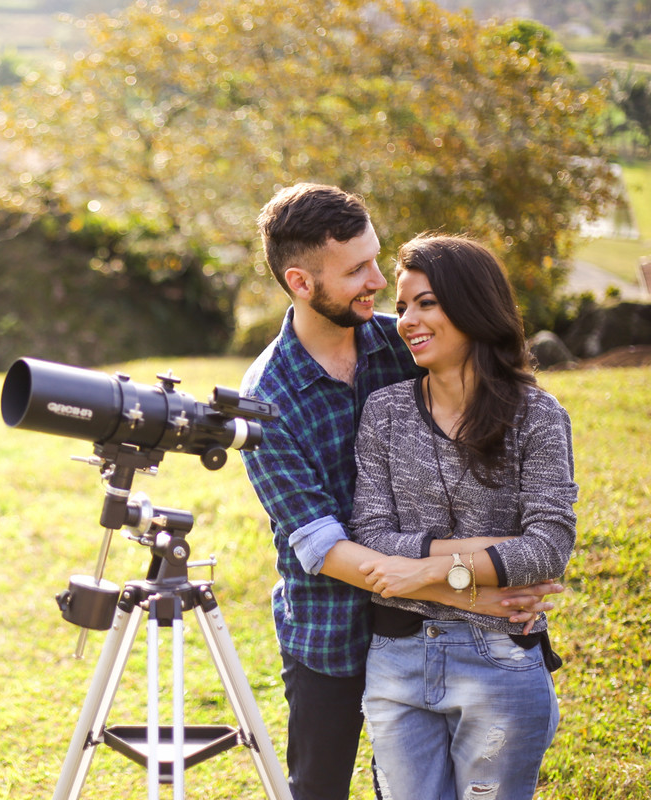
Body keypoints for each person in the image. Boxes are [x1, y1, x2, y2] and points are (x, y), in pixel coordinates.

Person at [239, 184, 562, 800]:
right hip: (329, 627)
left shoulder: (405, 342)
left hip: (424, 631)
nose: (377, 282)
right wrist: (477, 589)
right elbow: (323, 545)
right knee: (320, 789)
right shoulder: (264, 401)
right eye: (357, 269)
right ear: (302, 283)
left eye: (376, 259)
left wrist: (472, 582)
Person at [349, 233, 576, 799]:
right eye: (401, 307)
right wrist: (490, 559)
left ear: (474, 304)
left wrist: (426, 572)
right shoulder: (384, 412)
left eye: (426, 302)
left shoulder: (538, 415)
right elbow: (371, 536)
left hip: (500, 658)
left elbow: (548, 546)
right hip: (396, 658)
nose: (406, 320)